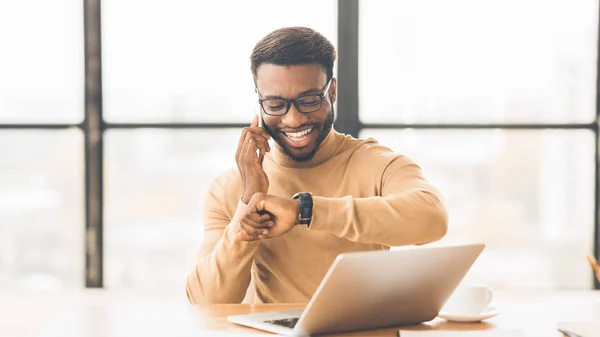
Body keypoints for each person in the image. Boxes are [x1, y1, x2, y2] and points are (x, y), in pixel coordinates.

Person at [186, 27, 448, 304]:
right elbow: (206, 302)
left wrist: (305, 210)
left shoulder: (375, 163)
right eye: (275, 104)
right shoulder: (231, 188)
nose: (294, 119)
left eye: (309, 100)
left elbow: (433, 219)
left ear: (331, 92)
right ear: (259, 99)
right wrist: (248, 203)